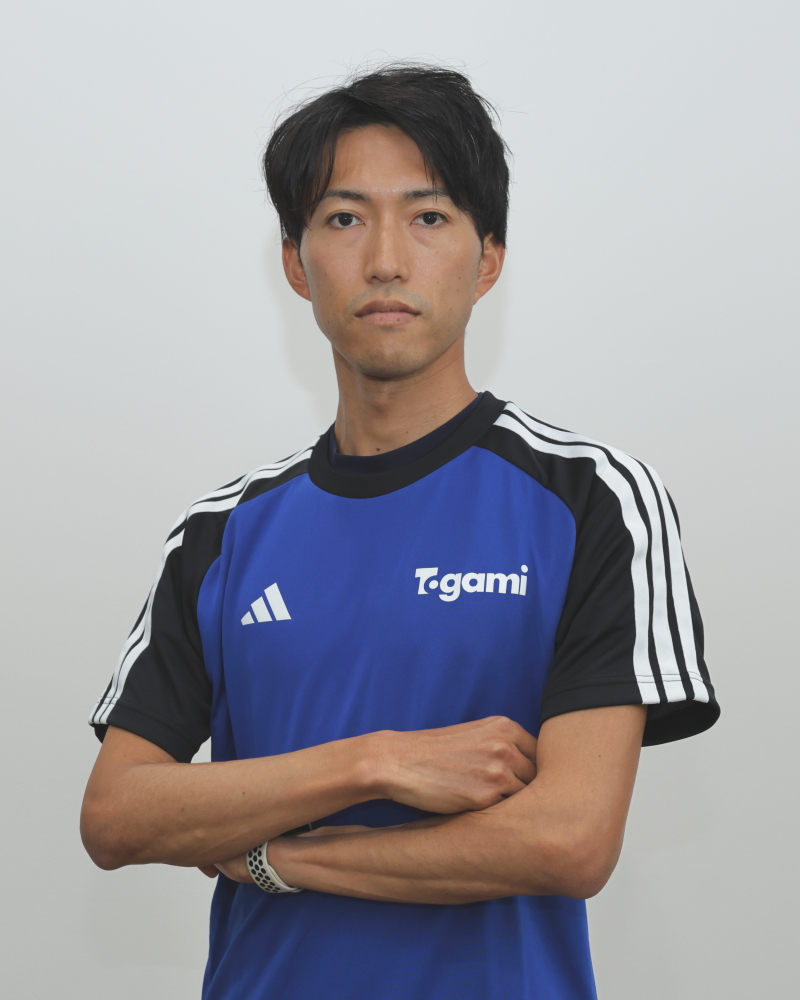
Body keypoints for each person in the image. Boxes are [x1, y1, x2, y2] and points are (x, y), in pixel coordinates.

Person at [81, 64, 719, 1000]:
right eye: (344, 218)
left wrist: (279, 859)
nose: (386, 259)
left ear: (487, 259)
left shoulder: (593, 498)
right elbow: (117, 815)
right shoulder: (222, 531)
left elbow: (568, 840)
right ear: (296, 264)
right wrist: (375, 761)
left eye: (428, 217)